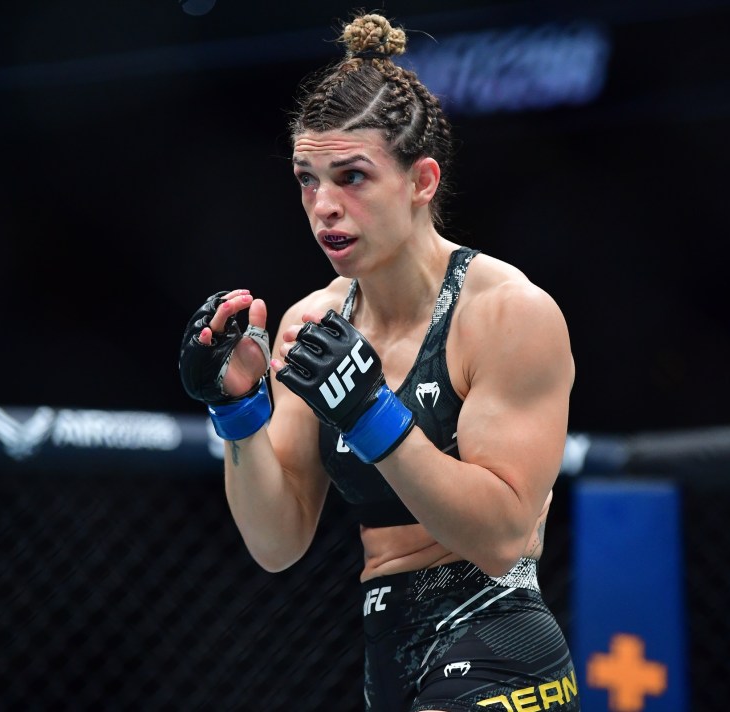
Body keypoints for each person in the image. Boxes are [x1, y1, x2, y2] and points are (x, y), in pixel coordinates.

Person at [179, 12, 579, 712]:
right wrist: (238, 412)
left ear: (421, 181)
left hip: (496, 643)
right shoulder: (312, 325)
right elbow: (277, 541)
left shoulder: (507, 314)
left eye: (352, 177)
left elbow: (501, 537)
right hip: (386, 650)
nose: (324, 206)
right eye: (307, 180)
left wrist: (371, 413)